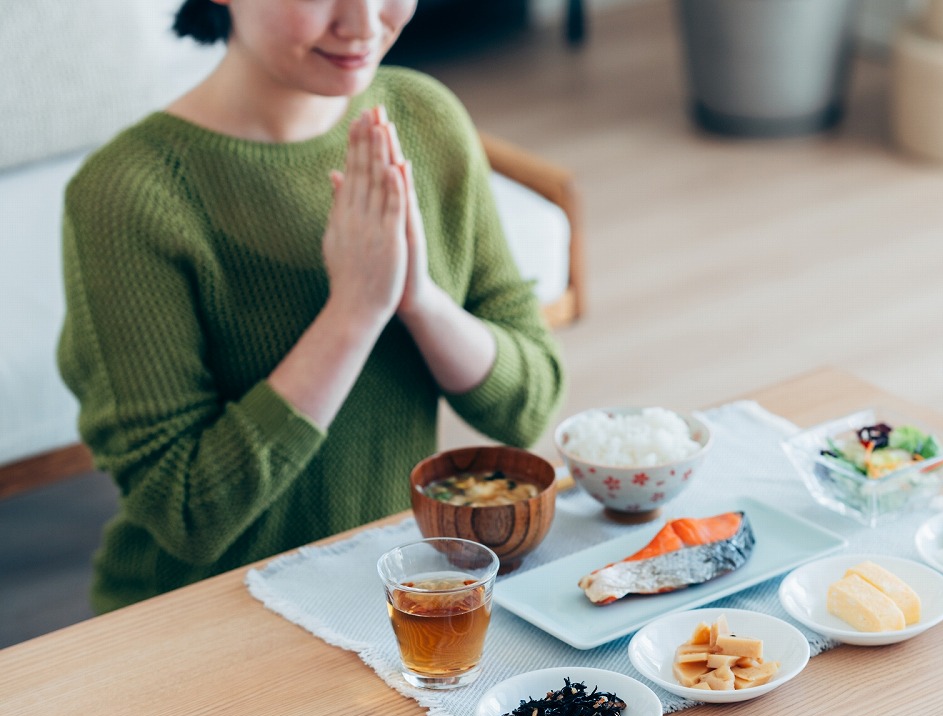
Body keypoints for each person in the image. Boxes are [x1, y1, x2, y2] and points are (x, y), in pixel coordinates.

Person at [57, 0, 566, 613]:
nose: (363, 23)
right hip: (200, 615)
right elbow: (185, 510)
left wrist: (419, 300)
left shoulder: (424, 116)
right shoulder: (128, 194)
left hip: (382, 586)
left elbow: (529, 404)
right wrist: (352, 315)